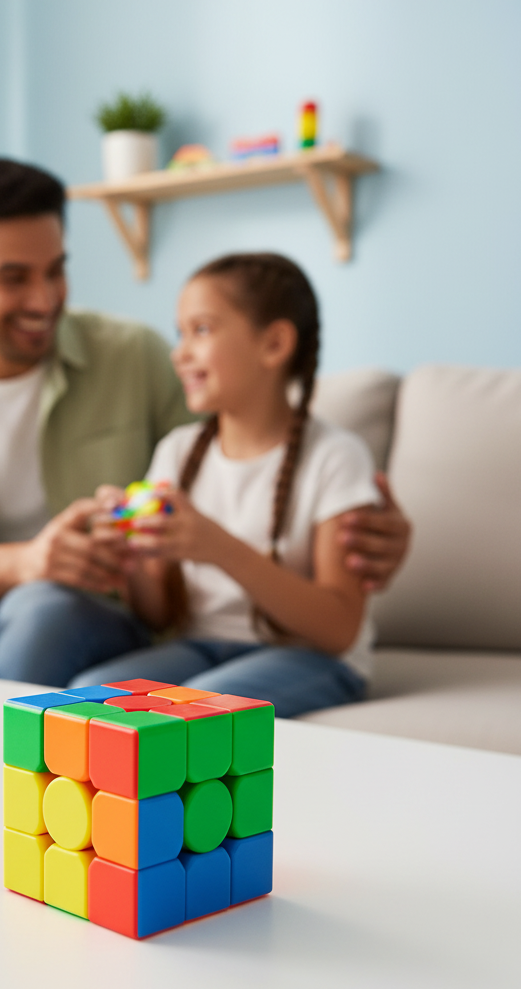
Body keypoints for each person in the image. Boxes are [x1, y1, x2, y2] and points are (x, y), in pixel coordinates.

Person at [0, 159, 410, 709]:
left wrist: (372, 529)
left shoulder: (135, 357)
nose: (44, 298)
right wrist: (26, 561)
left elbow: (247, 463)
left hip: (71, 616)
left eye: (55, 269)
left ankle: (1, 813)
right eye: (14, 277)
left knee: (43, 609)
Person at [70, 253, 382, 717]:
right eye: (180, 333)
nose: (179, 353)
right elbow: (158, 615)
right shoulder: (176, 453)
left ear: (274, 344)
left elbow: (339, 629)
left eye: (201, 330)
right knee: (85, 697)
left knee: (191, 714)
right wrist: (128, 556)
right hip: (198, 646)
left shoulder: (336, 457)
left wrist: (219, 547)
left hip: (313, 657)